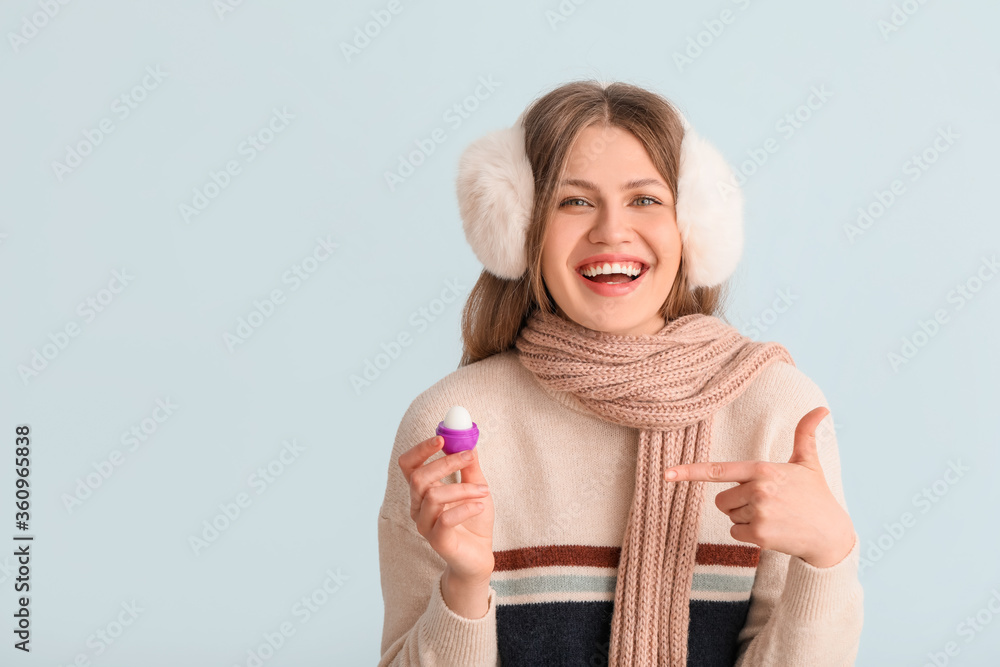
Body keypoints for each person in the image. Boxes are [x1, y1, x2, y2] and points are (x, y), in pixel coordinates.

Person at [377, 80, 863, 667]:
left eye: (646, 200)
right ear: (520, 231)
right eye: (573, 201)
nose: (611, 231)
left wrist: (829, 554)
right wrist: (466, 586)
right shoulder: (452, 427)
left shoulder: (776, 411)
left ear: (693, 228)